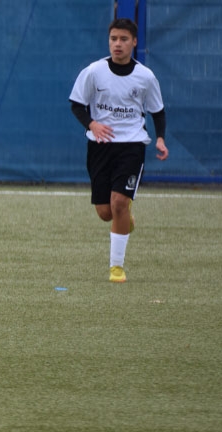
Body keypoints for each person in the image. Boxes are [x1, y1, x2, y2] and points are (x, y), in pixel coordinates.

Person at [69, 18, 168, 283]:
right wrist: (92, 124)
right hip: (100, 147)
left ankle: (116, 268)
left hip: (132, 146)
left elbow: (157, 111)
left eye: (124, 39)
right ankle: (125, 218)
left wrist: (160, 139)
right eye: (114, 39)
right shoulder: (94, 71)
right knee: (105, 212)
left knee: (119, 203)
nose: (118, 44)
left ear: (134, 42)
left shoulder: (145, 77)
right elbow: (77, 104)